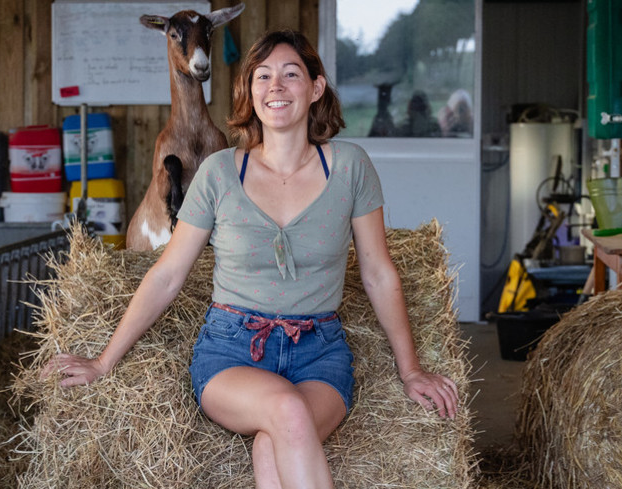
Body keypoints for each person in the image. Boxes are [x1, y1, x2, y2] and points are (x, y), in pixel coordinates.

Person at [43, 29, 459, 488]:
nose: (275, 87)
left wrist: (411, 370)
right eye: (263, 76)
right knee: (287, 412)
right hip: (231, 351)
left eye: (290, 74)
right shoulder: (220, 173)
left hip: (319, 354)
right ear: (250, 91)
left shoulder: (350, 167)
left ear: (316, 87)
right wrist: (103, 363)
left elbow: (379, 274)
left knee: (273, 443)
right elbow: (168, 274)